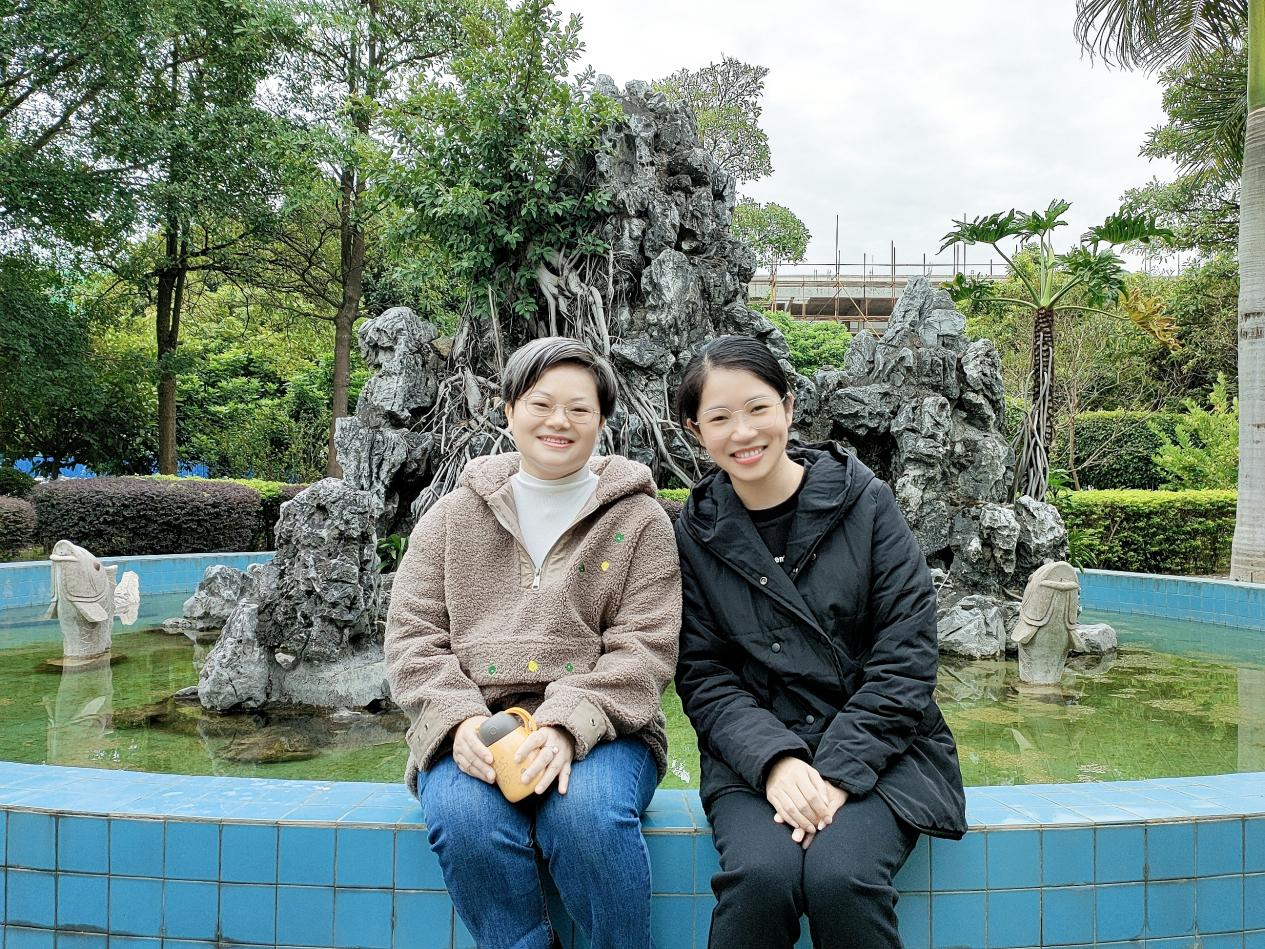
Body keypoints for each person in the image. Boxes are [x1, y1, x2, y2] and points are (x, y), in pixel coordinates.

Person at [385, 337, 681, 949]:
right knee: (463, 818)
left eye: (579, 408)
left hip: (605, 728)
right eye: (541, 404)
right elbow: (412, 635)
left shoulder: (640, 521)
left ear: (602, 420)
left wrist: (568, 725)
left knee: (587, 816)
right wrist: (458, 719)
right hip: (479, 723)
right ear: (509, 408)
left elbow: (646, 646)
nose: (558, 422)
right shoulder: (451, 516)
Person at [672, 335, 967, 949]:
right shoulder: (694, 536)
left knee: (842, 877)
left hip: (883, 748)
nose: (743, 432)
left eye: (758, 408)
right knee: (760, 877)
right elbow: (703, 674)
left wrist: (835, 773)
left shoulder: (867, 504)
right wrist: (776, 763)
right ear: (695, 432)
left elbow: (907, 658)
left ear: (788, 406)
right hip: (756, 754)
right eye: (719, 418)